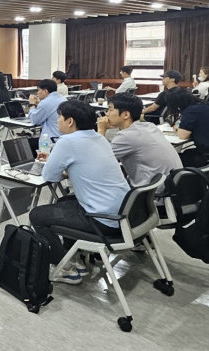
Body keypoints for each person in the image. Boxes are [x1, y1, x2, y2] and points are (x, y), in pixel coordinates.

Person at [29, 100, 130, 283]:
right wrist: (60, 161)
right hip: (123, 213)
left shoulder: (67, 141)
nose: (57, 121)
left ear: (70, 121)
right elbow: (85, 163)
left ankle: (64, 267)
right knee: (63, 202)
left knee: (37, 215)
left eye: (59, 117)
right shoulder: (99, 137)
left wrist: (55, 162)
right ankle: (74, 257)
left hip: (103, 221)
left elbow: (50, 176)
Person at [97, 93, 182, 188]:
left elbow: (99, 161)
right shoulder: (150, 125)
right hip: (173, 184)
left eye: (110, 109)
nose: (107, 114)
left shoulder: (126, 136)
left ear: (126, 114)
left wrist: (101, 130)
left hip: (153, 191)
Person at [165, 88, 209, 167]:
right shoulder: (206, 105)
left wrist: (178, 128)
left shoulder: (191, 111)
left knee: (172, 161)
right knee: (186, 153)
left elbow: (182, 136)